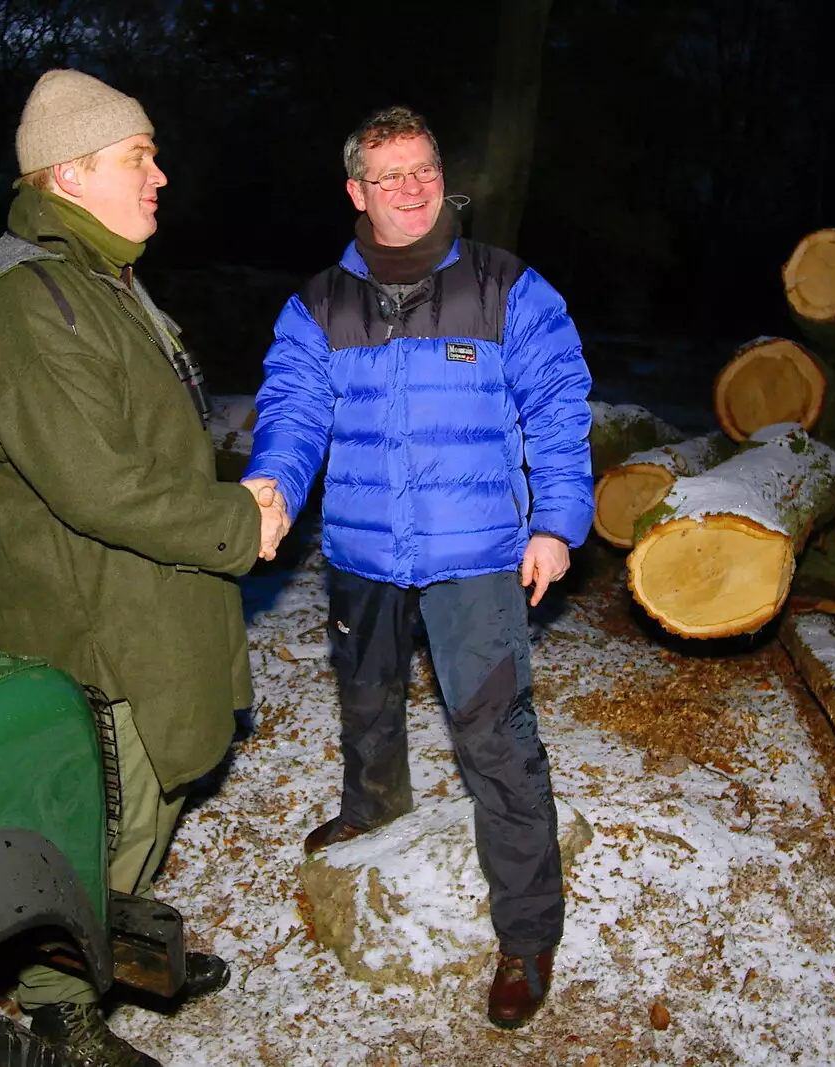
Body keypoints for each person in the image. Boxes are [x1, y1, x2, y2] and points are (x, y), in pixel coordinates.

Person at [0, 69, 287, 1067]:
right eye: (140, 157)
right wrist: (233, 521)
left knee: (153, 795)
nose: (161, 175)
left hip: (146, 600)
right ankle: (56, 1002)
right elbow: (100, 488)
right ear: (71, 174)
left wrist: (230, 493)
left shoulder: (98, 281)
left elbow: (140, 441)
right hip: (98, 625)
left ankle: (118, 947)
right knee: (102, 816)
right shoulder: (30, 308)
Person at [243, 106, 593, 1029]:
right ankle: (372, 810)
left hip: (475, 556)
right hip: (360, 545)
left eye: (424, 169)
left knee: (496, 740)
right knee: (367, 697)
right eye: (389, 176)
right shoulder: (319, 303)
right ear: (356, 191)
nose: (412, 188)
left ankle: (527, 932)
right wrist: (272, 484)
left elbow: (559, 405)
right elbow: (292, 407)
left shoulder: (505, 286)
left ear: (444, 176)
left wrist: (557, 520)